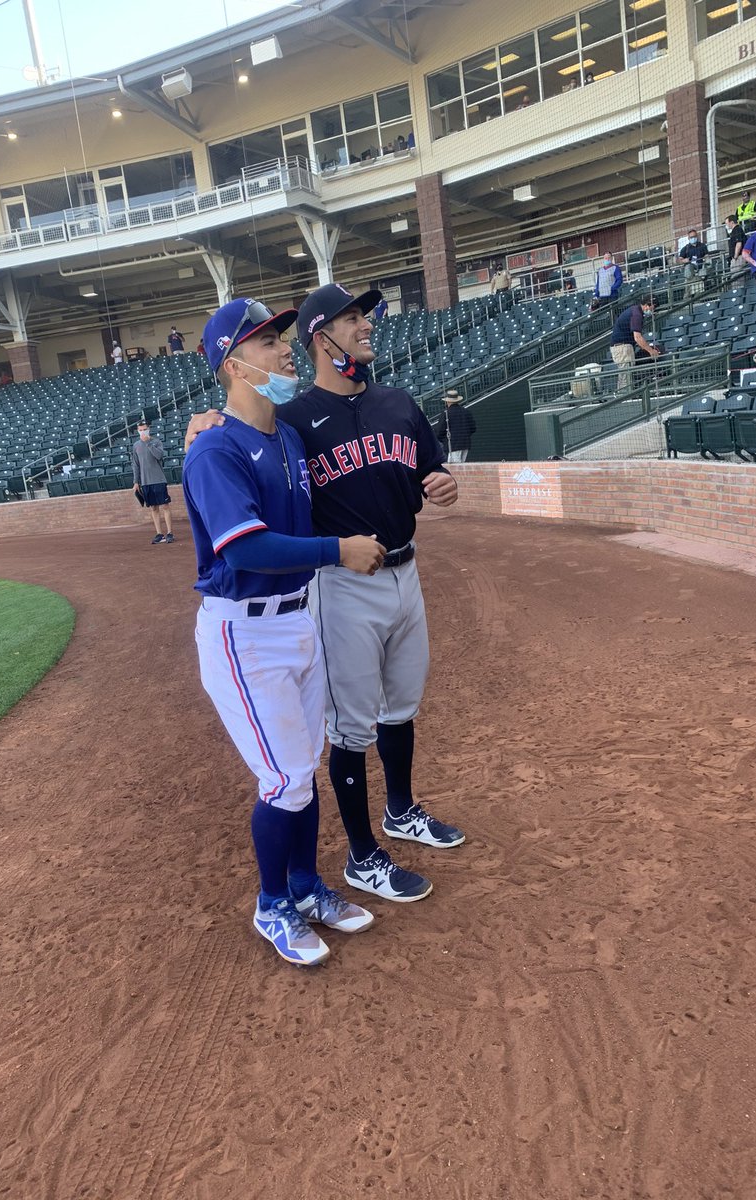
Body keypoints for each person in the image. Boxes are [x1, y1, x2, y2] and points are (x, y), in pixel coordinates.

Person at [186, 285, 464, 904]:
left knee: (400, 705)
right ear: (323, 336)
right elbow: (232, 423)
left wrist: (441, 478)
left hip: (402, 571)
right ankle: (359, 856)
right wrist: (202, 421)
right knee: (341, 730)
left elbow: (429, 465)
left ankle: (397, 812)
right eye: (351, 317)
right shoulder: (290, 418)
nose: (365, 325)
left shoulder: (393, 404)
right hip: (335, 586)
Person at [184, 297, 383, 967]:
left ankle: (304, 887)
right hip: (245, 634)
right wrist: (337, 550)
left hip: (297, 620)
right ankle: (272, 904)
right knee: (284, 779)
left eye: (280, 336)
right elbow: (243, 550)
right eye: (267, 341)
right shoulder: (214, 449)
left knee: (304, 771)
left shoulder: (287, 438)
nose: (284, 348)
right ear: (233, 364)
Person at [131, 420, 174, 544]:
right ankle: (159, 533)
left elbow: (159, 456)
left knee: (165, 506)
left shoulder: (156, 442)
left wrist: (148, 443)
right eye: (140, 430)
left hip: (159, 479)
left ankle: (170, 532)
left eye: (145, 429)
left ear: (148, 429)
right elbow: (135, 465)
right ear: (137, 431)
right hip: (145, 482)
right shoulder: (136, 446)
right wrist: (136, 482)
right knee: (153, 508)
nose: (143, 431)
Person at [609, 296, 660, 392]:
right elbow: (637, 337)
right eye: (652, 308)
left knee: (625, 375)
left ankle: (624, 395)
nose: (652, 311)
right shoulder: (637, 314)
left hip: (623, 346)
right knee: (626, 376)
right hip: (622, 347)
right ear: (646, 305)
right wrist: (651, 351)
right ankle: (625, 398)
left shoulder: (634, 311)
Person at [433, 390, 476, 463]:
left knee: (454, 469)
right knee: (462, 467)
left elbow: (439, 431)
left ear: (447, 401)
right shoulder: (466, 412)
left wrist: (444, 440)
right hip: (466, 444)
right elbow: (473, 428)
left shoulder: (446, 413)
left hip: (453, 445)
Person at [725, 214, 748, 292]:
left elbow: (739, 243)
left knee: (737, 278)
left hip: (738, 258)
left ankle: (738, 292)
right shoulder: (735, 231)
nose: (726, 225)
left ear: (731, 222)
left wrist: (735, 256)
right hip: (737, 257)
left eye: (727, 223)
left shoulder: (737, 229)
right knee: (735, 278)